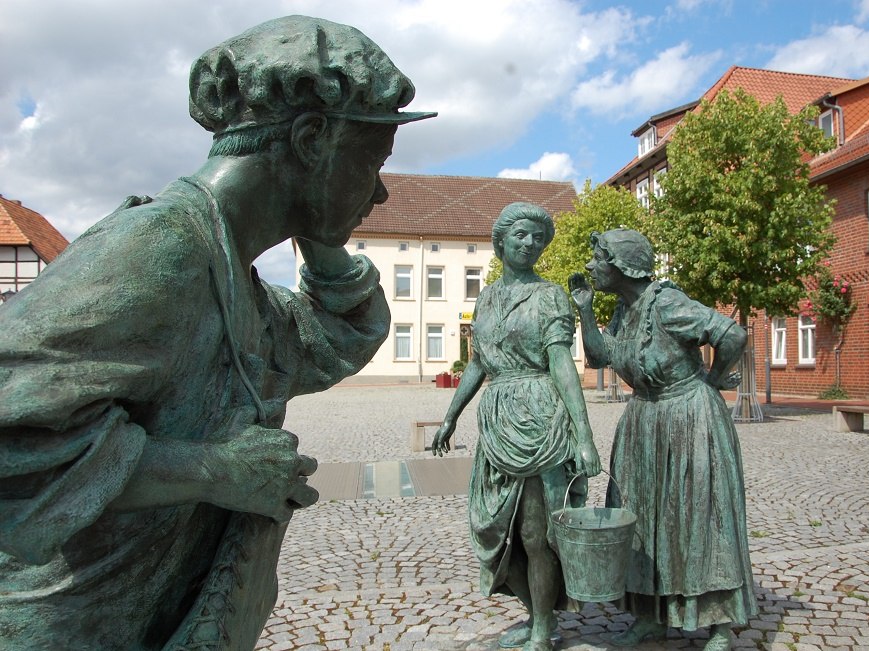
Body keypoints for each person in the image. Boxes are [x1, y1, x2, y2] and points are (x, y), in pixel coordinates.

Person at [0, 16, 434, 650]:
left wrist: (319, 226)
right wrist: (214, 471)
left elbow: (332, 338)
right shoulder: (160, 248)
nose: (381, 192)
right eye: (373, 158)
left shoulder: (233, 274)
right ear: (312, 138)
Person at [568, 229, 757, 651]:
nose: (590, 266)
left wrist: (711, 381)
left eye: (597, 258)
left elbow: (732, 335)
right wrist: (584, 311)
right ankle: (651, 617)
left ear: (619, 264)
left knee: (700, 516)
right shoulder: (623, 308)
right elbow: (600, 356)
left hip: (690, 418)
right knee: (644, 520)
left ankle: (719, 624)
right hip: (645, 421)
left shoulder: (666, 302)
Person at [432, 202, 601, 651]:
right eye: (521, 236)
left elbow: (562, 364)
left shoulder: (549, 297)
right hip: (498, 421)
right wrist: (451, 415)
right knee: (495, 527)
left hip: (541, 418)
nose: (530, 244)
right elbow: (478, 363)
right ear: (501, 241)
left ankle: (545, 627)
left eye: (537, 238)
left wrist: (584, 435)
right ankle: (535, 614)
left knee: (535, 531)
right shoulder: (486, 298)